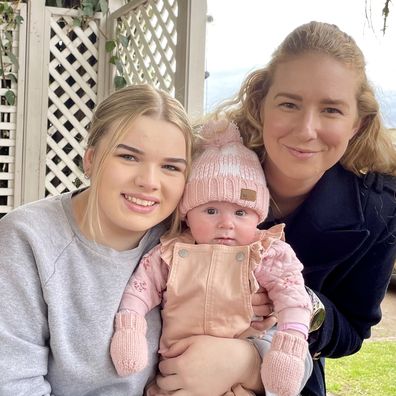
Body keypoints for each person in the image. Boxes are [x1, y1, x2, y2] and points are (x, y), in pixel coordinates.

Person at [0, 85, 268, 396]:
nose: (149, 182)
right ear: (90, 160)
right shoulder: (28, 239)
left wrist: (247, 363)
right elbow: (13, 383)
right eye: (129, 156)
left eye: (170, 166)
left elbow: (292, 345)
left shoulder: (196, 235)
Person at [210, 21, 396, 396]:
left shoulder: (380, 210)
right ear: (260, 104)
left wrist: (300, 303)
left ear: (356, 124)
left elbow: (352, 330)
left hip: (291, 374)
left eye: (330, 110)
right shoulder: (206, 172)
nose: (306, 129)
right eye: (289, 104)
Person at [110, 119, 313, 396]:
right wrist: (129, 329)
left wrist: (288, 348)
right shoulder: (169, 252)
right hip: (175, 376)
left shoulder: (267, 254)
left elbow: (294, 300)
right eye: (211, 211)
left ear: (258, 216)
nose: (226, 223)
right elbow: (139, 291)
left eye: (240, 213)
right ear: (187, 214)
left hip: (238, 380)